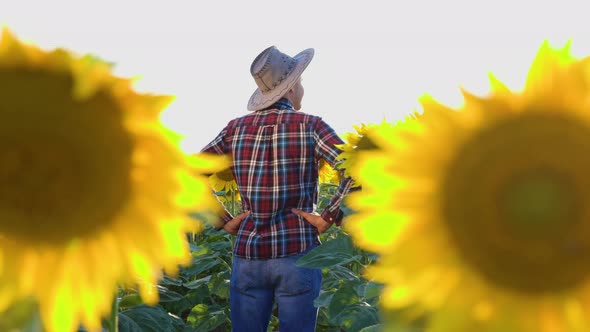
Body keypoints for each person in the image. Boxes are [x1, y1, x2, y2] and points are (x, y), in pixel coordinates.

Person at [201, 45, 354, 332]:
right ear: (292, 87)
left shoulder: (234, 129)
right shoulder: (311, 125)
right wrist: (328, 217)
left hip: (248, 253)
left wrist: (224, 221)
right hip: (298, 252)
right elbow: (355, 169)